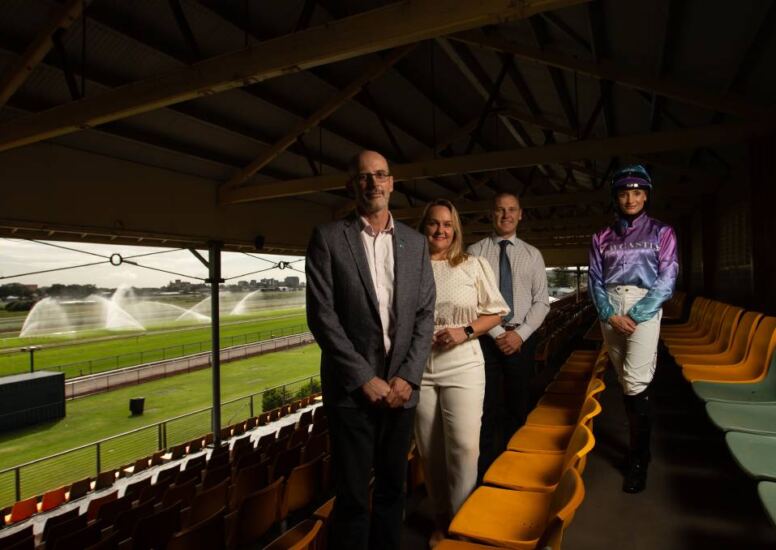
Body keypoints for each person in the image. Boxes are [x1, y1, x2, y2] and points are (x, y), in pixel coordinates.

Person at [305, 150, 435, 550]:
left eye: (380, 175)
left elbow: (425, 315)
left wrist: (408, 377)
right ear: (352, 185)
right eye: (364, 176)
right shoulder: (328, 238)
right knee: (353, 498)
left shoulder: (415, 243)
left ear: (392, 183)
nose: (373, 183)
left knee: (393, 491)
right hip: (351, 394)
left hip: (401, 391)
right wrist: (364, 378)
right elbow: (322, 317)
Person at [414, 199, 508, 547]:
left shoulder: (473, 264)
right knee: (430, 451)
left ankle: (462, 521)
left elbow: (496, 313)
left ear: (455, 229)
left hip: (463, 362)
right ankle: (442, 519)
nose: (440, 230)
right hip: (419, 366)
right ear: (424, 227)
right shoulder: (410, 268)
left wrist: (464, 331)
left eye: (447, 224)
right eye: (434, 223)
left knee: (465, 448)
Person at [588, 164, 679, 494]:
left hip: (644, 304)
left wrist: (638, 314)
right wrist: (609, 314)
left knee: (636, 380)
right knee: (625, 379)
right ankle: (639, 450)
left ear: (646, 195)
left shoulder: (662, 232)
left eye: (637, 192)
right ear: (616, 197)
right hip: (611, 308)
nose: (631, 199)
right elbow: (594, 279)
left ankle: (639, 460)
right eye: (625, 193)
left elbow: (668, 277)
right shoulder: (601, 236)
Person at [467, 191, 550, 478]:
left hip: (522, 341)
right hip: (486, 341)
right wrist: (499, 333)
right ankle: (485, 472)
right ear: (492, 213)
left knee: (518, 406)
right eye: (500, 209)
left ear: (520, 214)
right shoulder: (475, 252)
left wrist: (520, 334)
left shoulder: (532, 254)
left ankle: (514, 468)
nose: (506, 215)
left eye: (512, 209)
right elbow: (472, 302)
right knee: (486, 408)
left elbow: (542, 301)